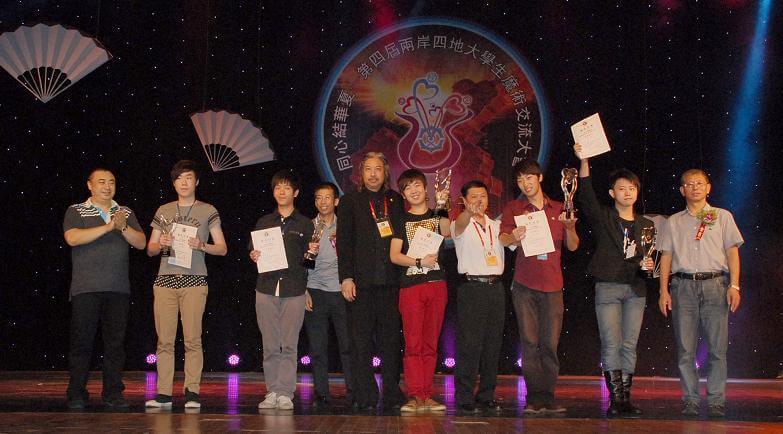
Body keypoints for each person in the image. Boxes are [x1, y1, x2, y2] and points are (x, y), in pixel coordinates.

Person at [574, 144, 654, 417]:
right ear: (612, 193)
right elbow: (586, 196)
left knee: (629, 344)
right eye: (622, 188)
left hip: (636, 289)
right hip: (608, 285)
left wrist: (649, 266)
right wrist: (584, 161)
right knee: (611, 343)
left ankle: (625, 399)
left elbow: (648, 259)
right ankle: (615, 400)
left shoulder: (646, 225)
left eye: (632, 188)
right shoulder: (605, 217)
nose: (628, 192)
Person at [658, 169, 743, 418]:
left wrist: (735, 286)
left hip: (715, 285)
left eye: (699, 183)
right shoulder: (673, 221)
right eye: (689, 184)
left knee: (717, 348)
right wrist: (663, 291)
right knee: (685, 349)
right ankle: (690, 399)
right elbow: (666, 256)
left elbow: (732, 253)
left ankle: (716, 400)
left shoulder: (722, 216)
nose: (695, 187)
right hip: (683, 287)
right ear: (682, 190)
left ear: (708, 188)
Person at [145, 160, 227, 409]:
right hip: (165, 281)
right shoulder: (163, 210)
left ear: (196, 181)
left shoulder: (207, 210)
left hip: (194, 281)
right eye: (179, 178)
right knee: (164, 341)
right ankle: (164, 393)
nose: (184, 182)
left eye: (188, 177)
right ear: (173, 183)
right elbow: (150, 249)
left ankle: (192, 392)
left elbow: (222, 248)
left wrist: (202, 245)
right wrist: (161, 243)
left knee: (192, 339)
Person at [499, 159, 579, 414]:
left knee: (550, 343)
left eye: (529, 177)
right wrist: (514, 236)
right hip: (524, 284)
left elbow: (573, 246)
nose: (525, 183)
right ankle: (534, 397)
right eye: (520, 179)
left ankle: (548, 396)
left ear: (540, 177)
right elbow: (503, 239)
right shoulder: (514, 208)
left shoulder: (559, 207)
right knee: (529, 341)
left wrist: (570, 227)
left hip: (553, 285)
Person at [63, 168, 146, 410]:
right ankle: (76, 393)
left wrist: (122, 227)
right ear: (90, 185)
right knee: (82, 343)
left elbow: (141, 243)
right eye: (101, 182)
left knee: (115, 345)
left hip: (118, 288)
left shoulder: (125, 212)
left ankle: (113, 393)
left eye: (111, 182)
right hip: (86, 288)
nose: (107, 186)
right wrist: (109, 227)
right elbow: (72, 238)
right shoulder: (76, 210)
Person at [337, 152, 406, 411]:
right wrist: (346, 277)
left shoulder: (395, 200)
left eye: (378, 169)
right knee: (360, 342)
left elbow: (403, 238)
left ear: (385, 172)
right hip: (361, 284)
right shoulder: (349, 201)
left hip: (390, 283)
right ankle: (364, 394)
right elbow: (344, 243)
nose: (373, 174)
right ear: (361, 173)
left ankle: (392, 393)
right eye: (368, 169)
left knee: (391, 342)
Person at [250, 169, 313, 411]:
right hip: (266, 288)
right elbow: (254, 250)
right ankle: (272, 391)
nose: (282, 191)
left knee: (288, 345)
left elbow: (309, 263)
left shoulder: (305, 224)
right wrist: (254, 254)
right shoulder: (264, 222)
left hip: (294, 289)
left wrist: (312, 254)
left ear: (295, 193)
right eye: (278, 187)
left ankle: (285, 392)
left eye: (287, 187)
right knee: (269, 345)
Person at [389, 169, 451, 413]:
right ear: (403, 194)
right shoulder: (401, 220)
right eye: (407, 188)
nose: (413, 191)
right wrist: (417, 262)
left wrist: (442, 205)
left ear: (426, 189)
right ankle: (415, 395)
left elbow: (446, 230)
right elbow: (394, 255)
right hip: (411, 287)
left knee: (430, 343)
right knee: (413, 343)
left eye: (417, 185)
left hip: (436, 285)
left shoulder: (437, 215)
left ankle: (427, 394)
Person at [451, 180, 507, 414]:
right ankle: (464, 396)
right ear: (464, 201)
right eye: (473, 197)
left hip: (496, 287)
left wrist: (518, 234)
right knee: (470, 345)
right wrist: (468, 212)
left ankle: (486, 395)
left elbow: (510, 242)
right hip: (472, 288)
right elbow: (461, 223)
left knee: (493, 345)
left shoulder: (497, 225)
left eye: (482, 196)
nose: (478, 200)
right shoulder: (460, 224)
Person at [303, 182, 353, 409]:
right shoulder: (307, 227)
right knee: (318, 348)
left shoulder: (346, 226)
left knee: (348, 346)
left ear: (336, 201)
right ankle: (321, 393)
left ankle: (353, 391)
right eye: (318, 198)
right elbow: (300, 262)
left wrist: (351, 281)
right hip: (315, 291)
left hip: (342, 291)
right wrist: (304, 290)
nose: (323, 202)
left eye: (327, 197)